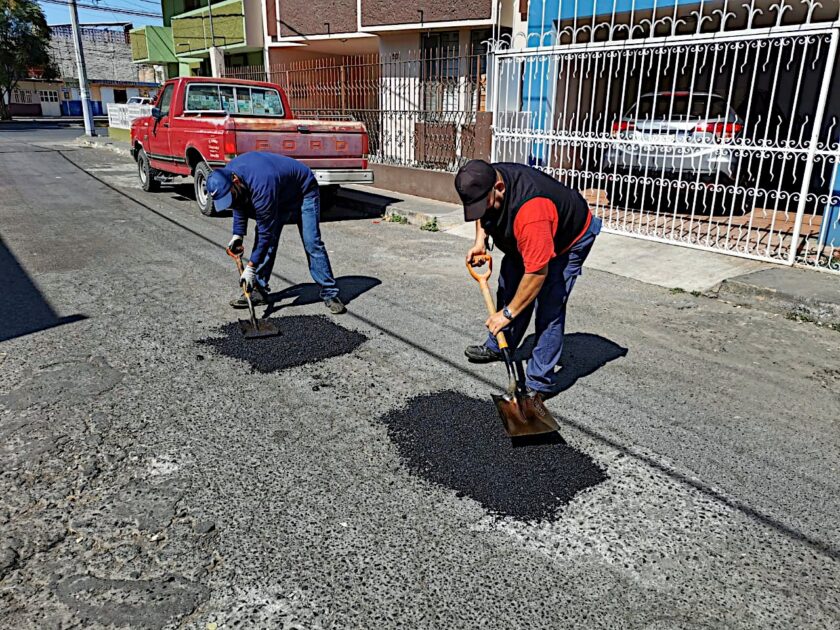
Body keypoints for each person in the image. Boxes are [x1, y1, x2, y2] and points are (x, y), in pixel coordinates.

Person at [456, 159, 601, 399]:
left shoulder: (532, 212)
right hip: (525, 238)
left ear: (499, 188)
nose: (480, 208)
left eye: (485, 202)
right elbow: (482, 210)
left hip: (569, 240)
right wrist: (480, 241)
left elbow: (536, 273)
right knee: (510, 290)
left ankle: (539, 382)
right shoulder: (483, 178)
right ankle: (500, 346)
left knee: (549, 307)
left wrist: (508, 313)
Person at [206, 152, 346, 314]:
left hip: (303, 191)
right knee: (268, 242)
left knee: (311, 242)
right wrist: (238, 234)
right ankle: (259, 291)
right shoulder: (228, 176)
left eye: (229, 196)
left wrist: (250, 267)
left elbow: (265, 233)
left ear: (235, 181)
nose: (230, 201)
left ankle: (330, 293)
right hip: (280, 192)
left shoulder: (262, 183)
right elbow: (238, 203)